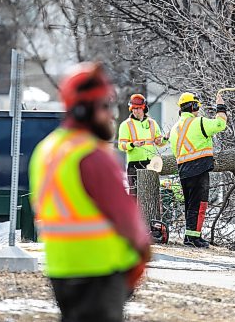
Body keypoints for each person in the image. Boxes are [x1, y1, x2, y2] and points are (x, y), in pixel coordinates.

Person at [29, 62, 151, 322]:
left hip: (61, 270)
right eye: (105, 106)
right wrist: (142, 254)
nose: (111, 115)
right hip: (100, 271)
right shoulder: (92, 155)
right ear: (86, 109)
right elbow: (127, 219)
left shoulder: (45, 151)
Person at [168, 92, 227, 248]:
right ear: (193, 106)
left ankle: (190, 236)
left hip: (183, 170)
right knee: (199, 204)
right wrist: (221, 107)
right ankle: (193, 238)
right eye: (196, 107)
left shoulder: (175, 129)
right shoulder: (199, 122)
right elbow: (221, 124)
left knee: (190, 204)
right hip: (198, 168)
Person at [118, 93, 167, 196]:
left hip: (151, 163)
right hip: (134, 165)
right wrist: (132, 145)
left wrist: (165, 139)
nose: (136, 111)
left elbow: (159, 142)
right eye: (134, 108)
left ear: (144, 108)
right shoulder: (126, 125)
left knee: (152, 195)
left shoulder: (152, 123)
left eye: (138, 108)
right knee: (135, 196)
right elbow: (121, 145)